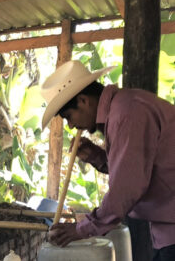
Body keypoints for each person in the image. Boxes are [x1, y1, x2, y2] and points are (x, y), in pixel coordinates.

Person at [40, 60, 175, 261]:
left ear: (84, 101)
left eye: (69, 116)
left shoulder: (127, 114)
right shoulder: (124, 108)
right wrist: (97, 157)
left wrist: (80, 229)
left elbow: (127, 187)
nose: (71, 126)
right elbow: (137, 169)